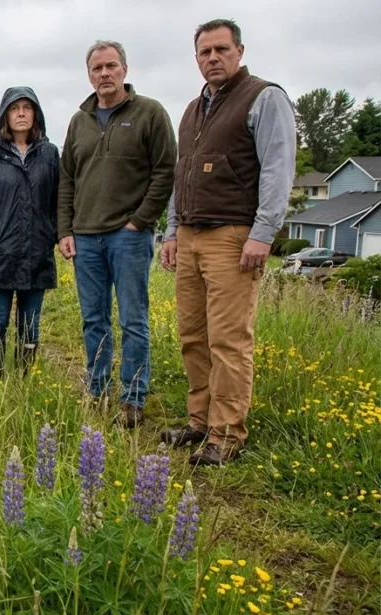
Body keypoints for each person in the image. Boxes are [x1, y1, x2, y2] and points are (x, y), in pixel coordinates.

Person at [159, 19, 296, 466]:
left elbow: (278, 168)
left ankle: (227, 434)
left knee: (228, 340)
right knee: (193, 336)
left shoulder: (263, 97)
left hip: (233, 237)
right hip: (191, 236)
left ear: (239, 51)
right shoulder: (192, 110)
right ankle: (199, 422)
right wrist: (172, 231)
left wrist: (263, 233)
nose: (213, 58)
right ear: (196, 58)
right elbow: (182, 176)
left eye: (221, 49)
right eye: (205, 52)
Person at [58, 40, 176, 427]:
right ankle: (97, 390)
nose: (104, 73)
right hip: (85, 237)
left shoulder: (149, 113)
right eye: (97, 68)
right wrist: (65, 229)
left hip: (128, 237)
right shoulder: (79, 121)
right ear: (89, 75)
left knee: (133, 320)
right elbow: (66, 179)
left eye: (111, 66)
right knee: (94, 320)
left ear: (124, 69)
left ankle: (133, 398)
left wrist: (140, 221)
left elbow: (165, 171)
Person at [0, 87, 60, 376]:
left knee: (30, 327)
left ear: (36, 114)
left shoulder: (49, 154)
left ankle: (24, 380)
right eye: (14, 108)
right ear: (4, 115)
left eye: (27, 108)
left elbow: (60, 200)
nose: (21, 114)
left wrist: (51, 234)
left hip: (37, 255)